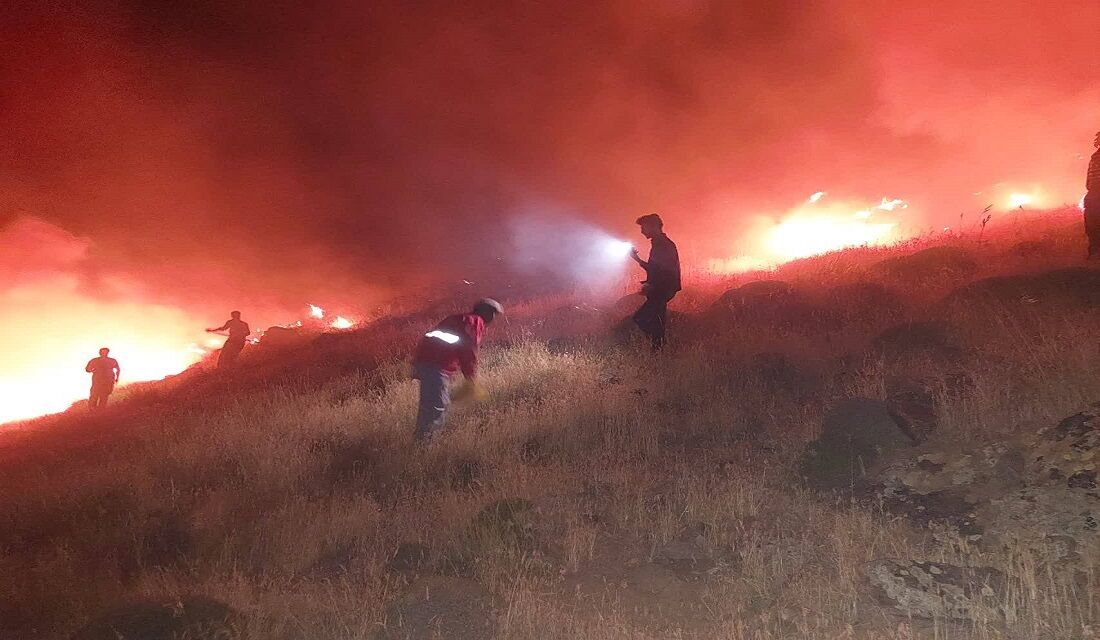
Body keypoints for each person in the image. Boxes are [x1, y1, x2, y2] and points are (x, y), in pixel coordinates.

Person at [410, 298, 503, 440]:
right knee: (435, 408)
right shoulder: (474, 321)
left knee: (440, 403)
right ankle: (423, 448)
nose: (494, 318)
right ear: (486, 312)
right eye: (494, 313)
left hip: (428, 363)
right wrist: (471, 379)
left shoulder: (459, 318)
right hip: (436, 366)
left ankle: (424, 443)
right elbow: (468, 350)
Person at [630, 213, 681, 349]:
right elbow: (657, 269)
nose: (642, 231)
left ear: (653, 226)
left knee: (641, 319)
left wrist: (651, 285)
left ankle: (659, 346)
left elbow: (660, 269)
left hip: (661, 290)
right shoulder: (662, 243)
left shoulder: (662, 245)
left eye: (643, 227)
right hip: (662, 289)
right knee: (656, 321)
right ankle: (659, 348)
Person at [1085, 131, 1100, 259]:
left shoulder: (1093, 157)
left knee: (1092, 226)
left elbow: (1088, 183)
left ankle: (1094, 253)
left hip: (1092, 195)